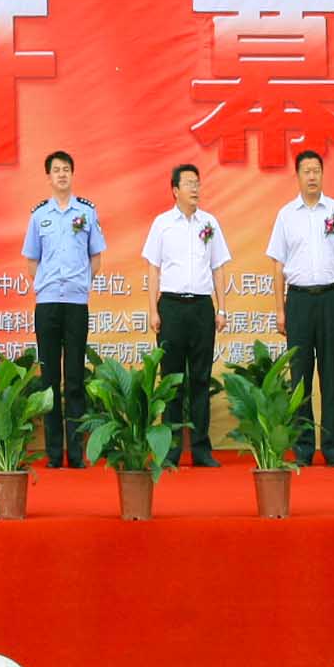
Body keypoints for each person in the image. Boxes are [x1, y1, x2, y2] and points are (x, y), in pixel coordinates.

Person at [266, 150, 334, 467]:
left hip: (330, 298)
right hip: (299, 301)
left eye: (316, 170)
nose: (312, 176)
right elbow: (277, 266)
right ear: (297, 176)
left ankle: (333, 450)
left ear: (322, 174)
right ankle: (304, 449)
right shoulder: (285, 215)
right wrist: (280, 310)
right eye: (306, 171)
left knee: (330, 376)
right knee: (300, 377)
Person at [140, 164, 232, 467]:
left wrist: (222, 308)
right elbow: (153, 268)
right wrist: (153, 310)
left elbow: (218, 267)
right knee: (172, 381)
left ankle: (202, 450)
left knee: (201, 379)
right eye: (189, 183)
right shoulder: (162, 224)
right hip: (171, 307)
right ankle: (172, 450)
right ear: (175, 190)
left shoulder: (210, 223)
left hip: (202, 307)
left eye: (197, 183)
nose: (195, 188)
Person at [23, 150, 104, 470]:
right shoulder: (38, 216)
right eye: (56, 170)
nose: (61, 174)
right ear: (48, 177)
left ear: (72, 174)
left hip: (75, 304)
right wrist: (47, 284)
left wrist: (79, 284)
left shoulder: (87, 212)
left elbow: (96, 258)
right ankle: (54, 453)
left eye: (66, 169)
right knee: (49, 379)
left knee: (74, 378)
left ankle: (76, 453)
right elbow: (32, 260)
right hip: (47, 305)